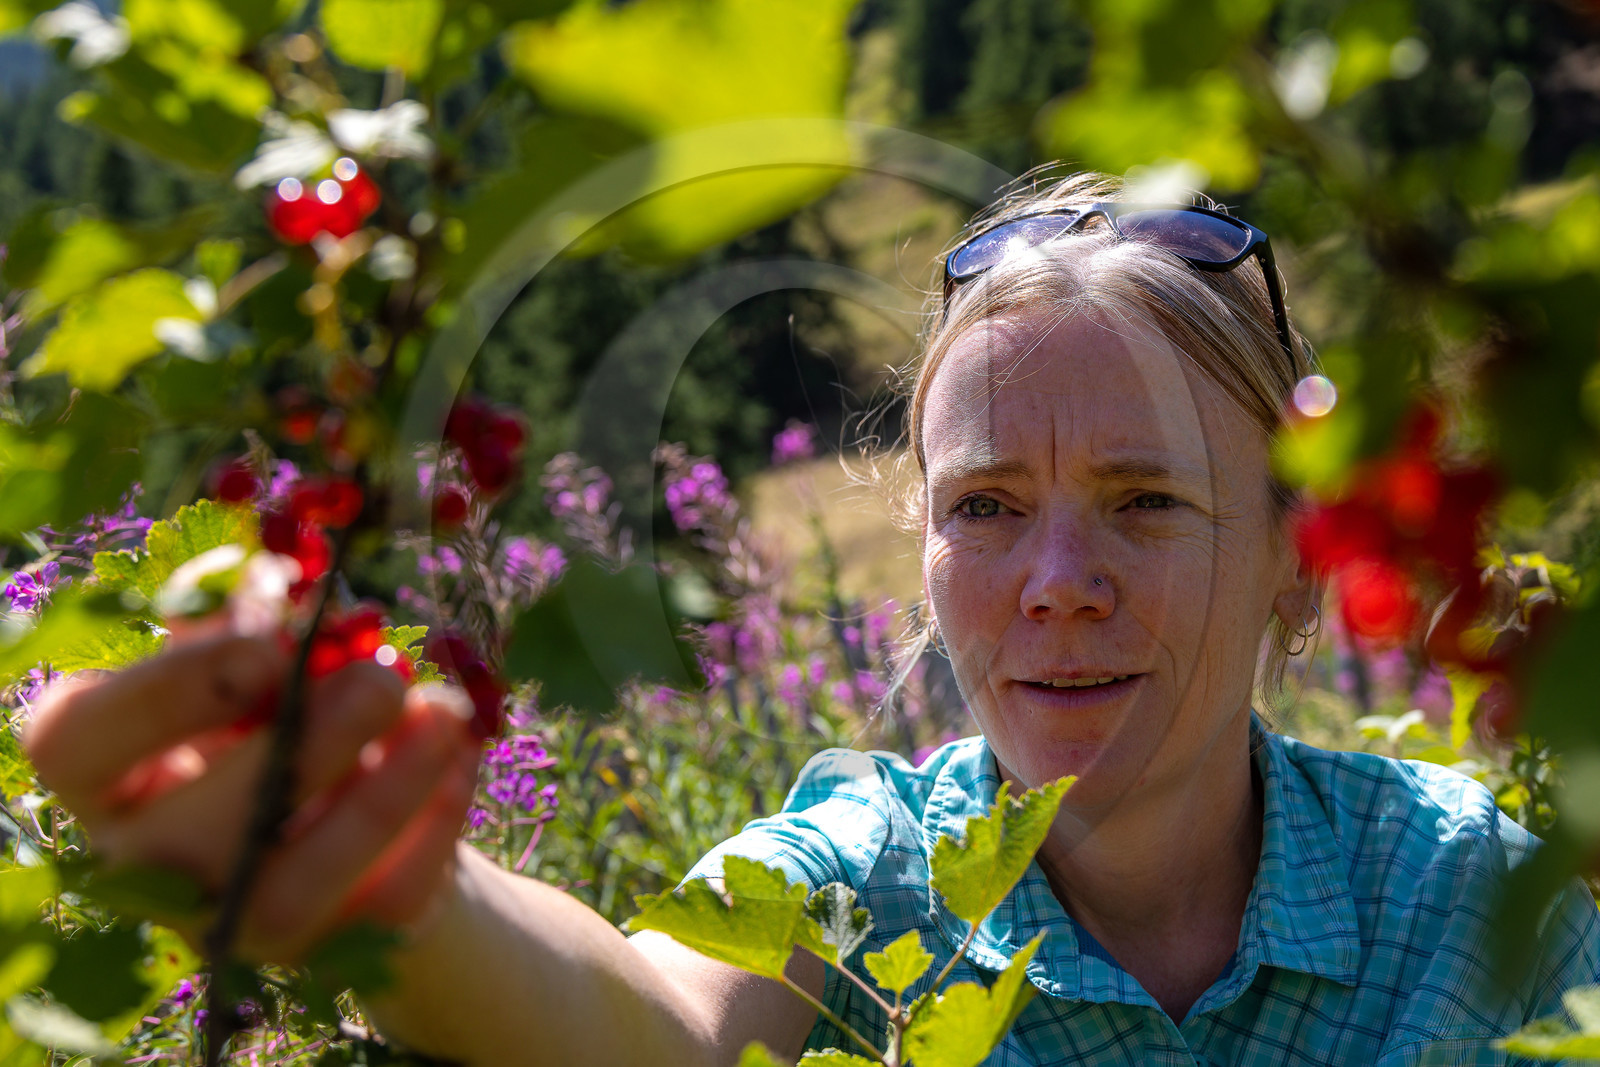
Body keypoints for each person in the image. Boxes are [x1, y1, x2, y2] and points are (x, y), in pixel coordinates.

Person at [24, 170, 1598, 1066]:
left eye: (1147, 497)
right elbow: (646, 1015)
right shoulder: (864, 885)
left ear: (1297, 561)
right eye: (984, 505)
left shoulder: (1479, 898)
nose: (1057, 580)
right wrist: (396, 885)